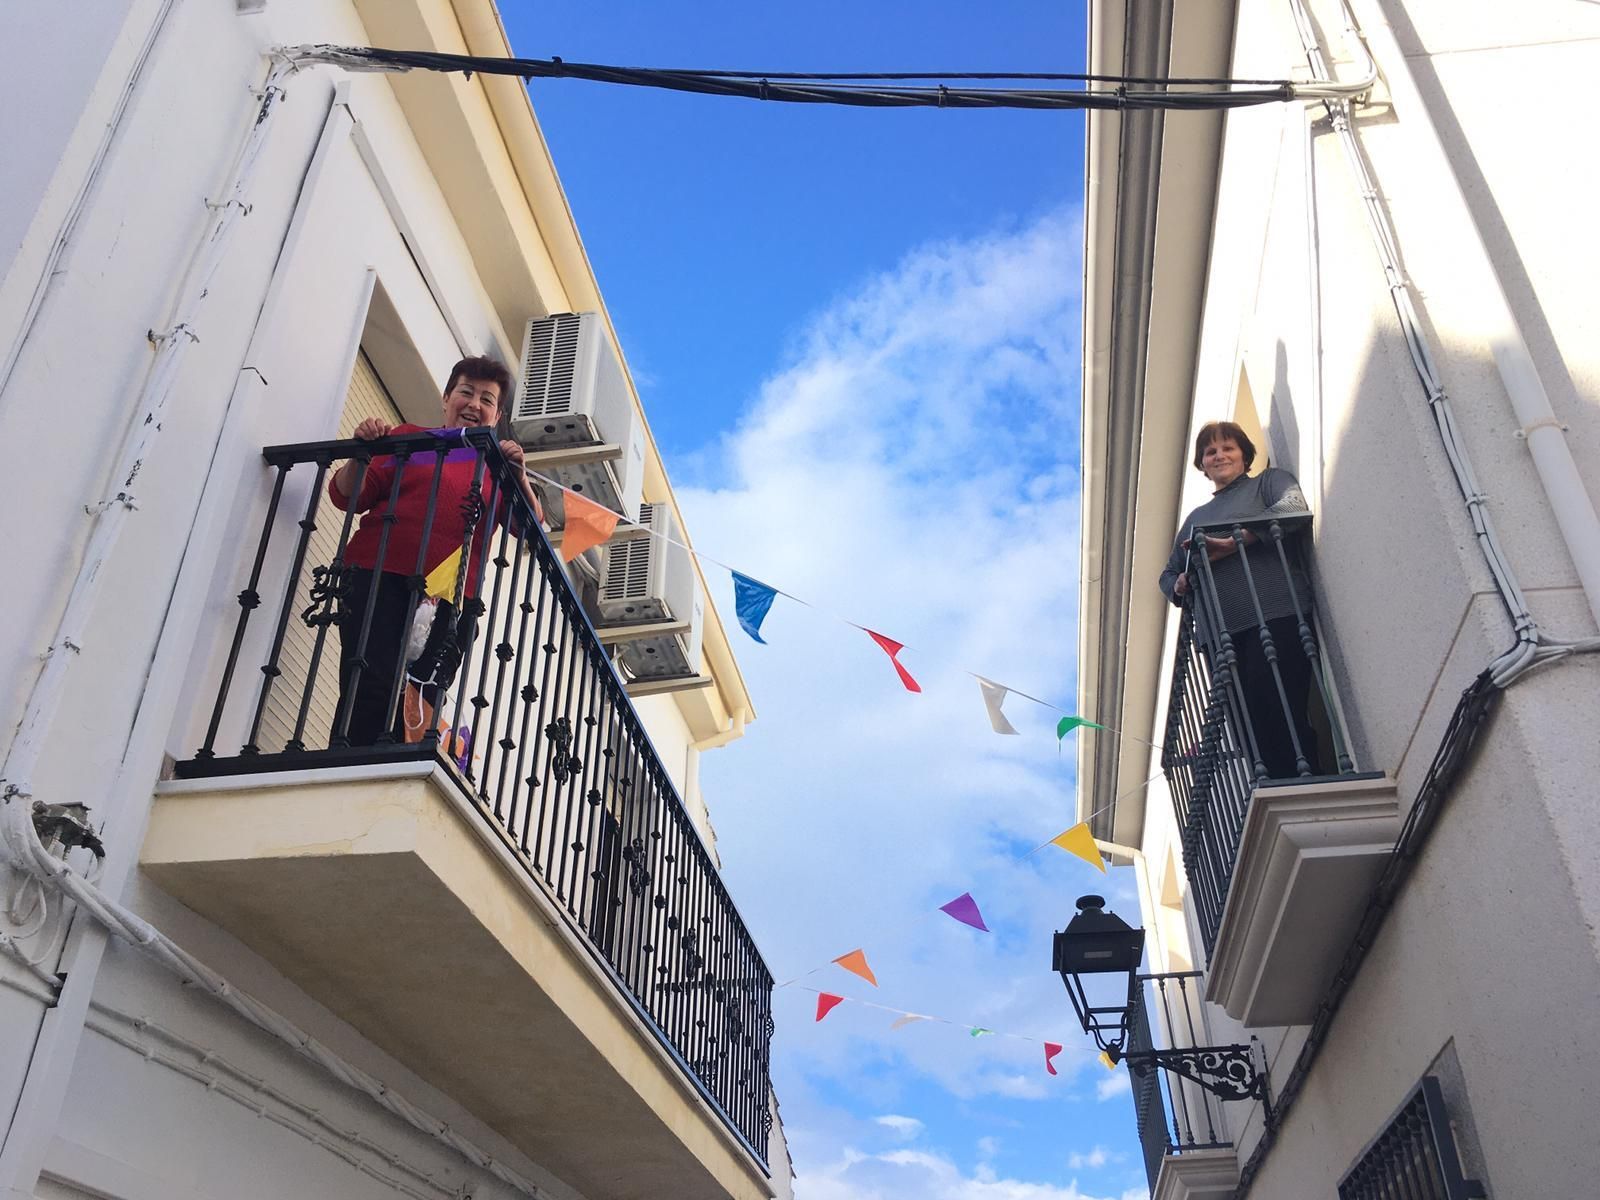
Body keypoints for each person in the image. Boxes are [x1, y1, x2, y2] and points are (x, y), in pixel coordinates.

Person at [327, 355, 540, 747]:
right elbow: (347, 495)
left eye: (487, 399)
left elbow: (530, 527)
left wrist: (519, 477)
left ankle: (397, 768)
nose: (474, 404)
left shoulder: (496, 469)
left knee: (422, 695)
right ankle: (353, 765)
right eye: (466, 392)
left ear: (497, 416)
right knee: (370, 680)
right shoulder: (410, 438)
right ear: (446, 399)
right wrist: (362, 451)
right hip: (377, 577)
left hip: (451, 596)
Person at [1158, 421, 1327, 779]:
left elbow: (1292, 508)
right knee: (1248, 721)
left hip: (1275, 613)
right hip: (1220, 633)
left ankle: (1303, 782)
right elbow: (1168, 575)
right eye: (1210, 452)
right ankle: (1275, 787)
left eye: (1228, 448)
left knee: (1278, 701)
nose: (1219, 455)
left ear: (1245, 456)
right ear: (1203, 465)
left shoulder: (1268, 482)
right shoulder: (1195, 519)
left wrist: (1236, 541)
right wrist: (1181, 583)